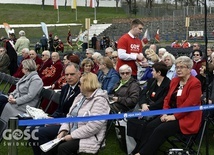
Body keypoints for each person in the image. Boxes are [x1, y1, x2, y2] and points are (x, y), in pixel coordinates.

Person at [133, 56, 202, 155]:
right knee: (149, 126)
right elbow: (167, 99)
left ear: (189, 69)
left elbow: (189, 105)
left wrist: (174, 116)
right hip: (170, 113)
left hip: (186, 117)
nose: (178, 69)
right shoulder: (174, 81)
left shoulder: (195, 83)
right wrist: (164, 113)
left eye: (182, 67)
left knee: (160, 130)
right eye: (177, 67)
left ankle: (143, 153)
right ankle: (138, 150)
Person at [42, 72, 110, 155]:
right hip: (73, 131)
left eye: (80, 84)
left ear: (87, 84)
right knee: (49, 149)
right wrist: (63, 131)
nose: (78, 86)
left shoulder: (100, 101)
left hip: (89, 137)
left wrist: (72, 136)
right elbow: (69, 116)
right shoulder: (80, 96)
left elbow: (93, 127)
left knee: (63, 148)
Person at [30, 63, 81, 155]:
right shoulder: (65, 88)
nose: (69, 77)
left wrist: (58, 121)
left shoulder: (82, 89)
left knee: (38, 132)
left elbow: (76, 112)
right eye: (66, 74)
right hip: (58, 119)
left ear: (79, 74)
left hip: (69, 124)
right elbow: (60, 108)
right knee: (32, 128)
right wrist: (52, 117)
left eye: (72, 74)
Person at [127, 62, 170, 145]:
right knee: (132, 120)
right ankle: (135, 143)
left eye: (153, 71)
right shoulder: (151, 81)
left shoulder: (168, 84)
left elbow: (163, 100)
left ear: (159, 73)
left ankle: (142, 144)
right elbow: (143, 93)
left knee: (145, 124)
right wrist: (143, 104)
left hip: (157, 110)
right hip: (145, 107)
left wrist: (149, 107)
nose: (151, 73)